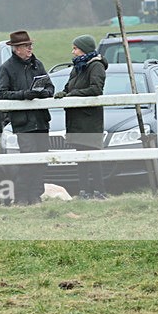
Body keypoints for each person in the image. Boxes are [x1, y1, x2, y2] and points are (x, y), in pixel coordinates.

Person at [0, 30, 54, 205]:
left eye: (30, 45)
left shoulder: (38, 65)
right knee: (28, 158)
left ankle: (35, 195)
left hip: (41, 120)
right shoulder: (7, 68)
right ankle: (21, 195)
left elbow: (50, 87)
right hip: (23, 122)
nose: (30, 48)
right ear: (16, 48)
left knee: (42, 159)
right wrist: (24, 95)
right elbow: (2, 93)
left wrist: (43, 93)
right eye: (26, 46)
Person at [54, 35, 108, 200]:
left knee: (93, 158)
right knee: (81, 157)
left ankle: (99, 191)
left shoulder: (96, 66)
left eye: (75, 48)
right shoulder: (77, 67)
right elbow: (69, 86)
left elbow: (96, 89)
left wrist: (73, 94)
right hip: (76, 120)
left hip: (89, 120)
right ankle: (84, 191)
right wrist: (64, 92)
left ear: (84, 49)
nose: (73, 52)